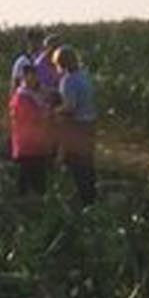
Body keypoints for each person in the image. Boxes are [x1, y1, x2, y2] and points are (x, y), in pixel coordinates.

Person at [54, 45, 98, 205]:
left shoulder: (68, 80)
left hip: (77, 126)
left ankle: (82, 197)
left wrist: (54, 111)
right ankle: (91, 195)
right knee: (88, 161)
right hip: (90, 123)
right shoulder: (85, 75)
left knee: (76, 163)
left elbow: (70, 107)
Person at [8, 61, 54, 195]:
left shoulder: (38, 94)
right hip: (27, 143)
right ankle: (26, 200)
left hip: (38, 143)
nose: (33, 80)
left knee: (36, 173)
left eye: (34, 76)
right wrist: (46, 113)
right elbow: (30, 116)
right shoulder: (21, 97)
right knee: (29, 173)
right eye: (29, 77)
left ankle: (34, 200)